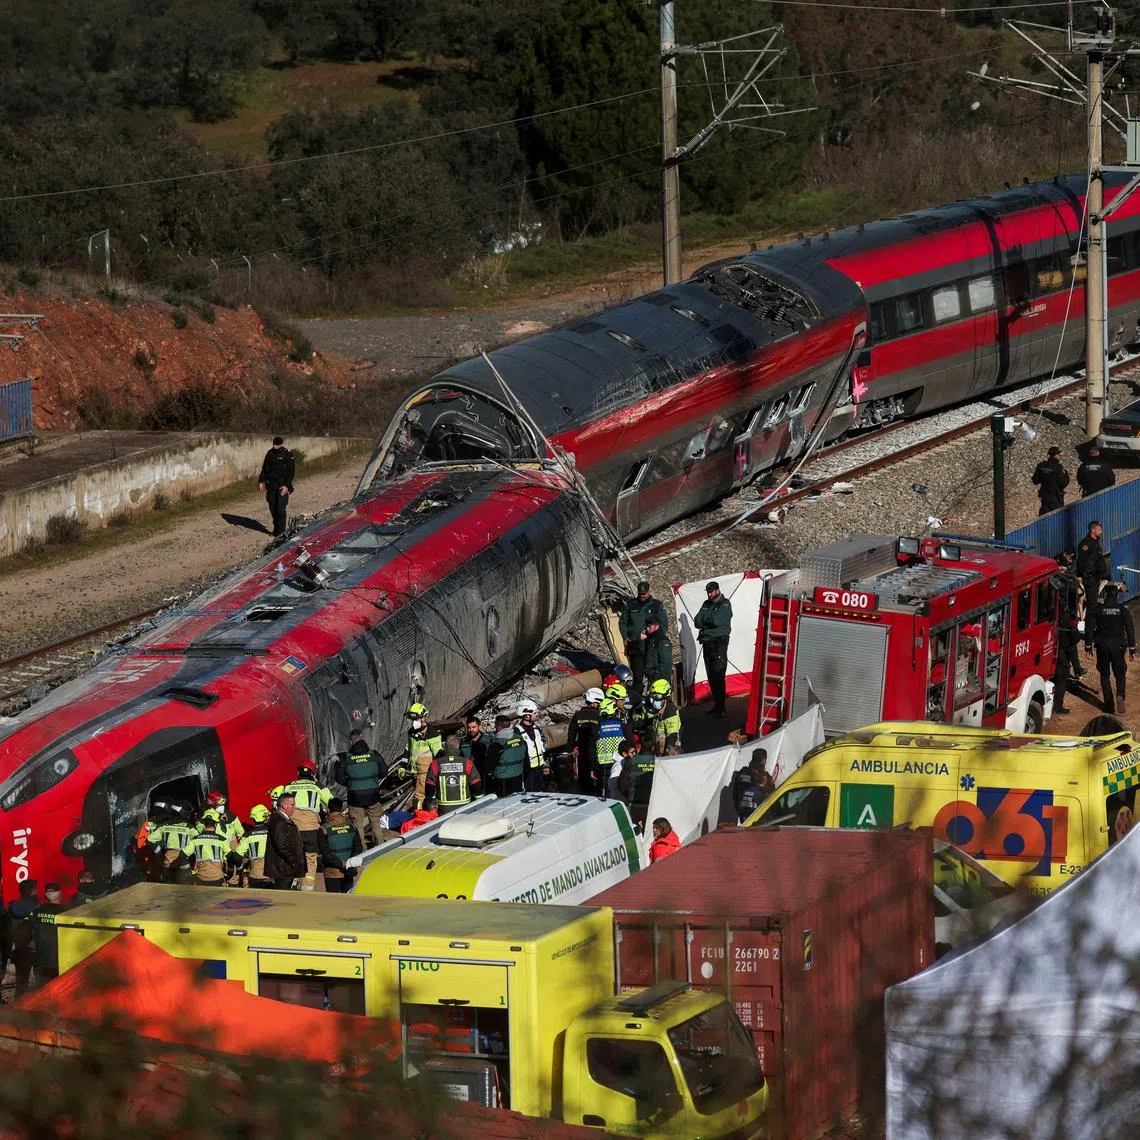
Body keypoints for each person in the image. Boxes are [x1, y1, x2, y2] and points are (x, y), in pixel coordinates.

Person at [271, 761, 332, 890]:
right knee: (310, 858)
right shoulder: (318, 787)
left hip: (291, 829)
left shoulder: (288, 787)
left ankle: (292, 883)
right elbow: (331, 803)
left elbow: (276, 803)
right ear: (313, 773)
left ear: (298, 773)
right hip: (311, 830)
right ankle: (307, 888)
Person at [1085, 581, 1136, 714]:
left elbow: (1089, 628)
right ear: (1117, 595)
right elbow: (1130, 630)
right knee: (1120, 672)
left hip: (1102, 646)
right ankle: (1120, 695)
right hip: (1118, 647)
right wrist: (1132, 649)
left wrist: (1088, 647)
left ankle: (1109, 704)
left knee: (1104, 674)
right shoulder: (1123, 611)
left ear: (1106, 595)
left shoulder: (1098, 610)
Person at [620, 581, 672, 701]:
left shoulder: (656, 605)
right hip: (636, 645)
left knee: (653, 674)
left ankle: (656, 700)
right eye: (640, 593)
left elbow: (663, 625)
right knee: (637, 678)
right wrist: (626, 637)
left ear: (649, 592)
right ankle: (637, 706)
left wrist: (655, 638)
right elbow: (623, 622)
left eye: (644, 593)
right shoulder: (631, 605)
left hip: (651, 646)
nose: (642, 596)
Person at [336, 733, 389, 851]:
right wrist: (373, 780)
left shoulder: (346, 758)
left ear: (351, 742)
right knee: (376, 824)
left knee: (358, 825)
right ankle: (379, 847)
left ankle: (362, 849)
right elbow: (384, 772)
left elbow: (339, 778)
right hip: (373, 795)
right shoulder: (374, 755)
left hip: (355, 797)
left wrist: (350, 783)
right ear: (363, 739)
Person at [695, 581, 733, 717]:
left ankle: (722, 708)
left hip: (719, 643)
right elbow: (696, 620)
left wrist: (705, 621)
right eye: (708, 592)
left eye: (711, 592)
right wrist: (707, 620)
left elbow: (717, 621)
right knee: (711, 674)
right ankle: (717, 704)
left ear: (717, 590)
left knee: (718, 674)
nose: (709, 594)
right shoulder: (706, 604)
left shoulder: (725, 604)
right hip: (707, 642)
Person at [1052, 552, 1084, 715]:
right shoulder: (1059, 583)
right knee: (1062, 672)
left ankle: (1077, 668)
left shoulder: (1059, 581)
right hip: (1060, 636)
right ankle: (1057, 705)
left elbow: (1079, 593)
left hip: (1062, 636)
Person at [425, 735, 484, 814]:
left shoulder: (436, 763)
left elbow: (430, 785)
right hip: (464, 807)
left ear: (444, 746)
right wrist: (480, 802)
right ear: (458, 745)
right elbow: (476, 784)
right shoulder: (467, 762)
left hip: (443, 807)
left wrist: (430, 803)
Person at [398, 703, 442, 808]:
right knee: (418, 797)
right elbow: (408, 750)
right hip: (415, 772)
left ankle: (419, 818)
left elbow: (438, 755)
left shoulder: (432, 734)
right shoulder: (412, 732)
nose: (415, 722)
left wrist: (435, 774)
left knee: (419, 798)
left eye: (417, 719)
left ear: (424, 718)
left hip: (426, 773)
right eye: (413, 719)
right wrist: (403, 766)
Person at [319, 798, 363, 893]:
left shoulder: (324, 829)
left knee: (333, 902)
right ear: (341, 809)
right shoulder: (352, 827)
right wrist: (349, 863)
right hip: (349, 870)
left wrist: (341, 864)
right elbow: (358, 847)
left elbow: (325, 853)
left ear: (328, 810)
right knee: (347, 901)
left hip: (332, 872)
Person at [265, 793, 306, 889]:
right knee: (283, 894)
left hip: (285, 867)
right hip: (284, 869)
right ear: (283, 805)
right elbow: (281, 845)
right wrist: (294, 861)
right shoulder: (280, 822)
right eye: (292, 805)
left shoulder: (284, 820)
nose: (294, 807)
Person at [148, 805, 197, 884]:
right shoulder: (189, 827)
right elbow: (198, 841)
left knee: (167, 890)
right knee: (185, 890)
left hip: (167, 863)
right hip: (183, 864)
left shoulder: (164, 826)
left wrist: (159, 852)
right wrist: (186, 853)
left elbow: (150, 840)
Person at [258, 435, 295, 538]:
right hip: (271, 486)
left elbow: (291, 472)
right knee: (273, 508)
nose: (275, 446)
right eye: (274, 444)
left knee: (280, 509)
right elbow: (264, 468)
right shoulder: (269, 454)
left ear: (281, 444)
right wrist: (261, 481)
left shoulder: (287, 455)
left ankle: (281, 532)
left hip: (282, 485)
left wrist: (286, 486)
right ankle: (276, 529)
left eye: (277, 445)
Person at [569, 687, 604, 796]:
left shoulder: (578, 715)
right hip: (596, 750)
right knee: (596, 775)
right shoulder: (598, 716)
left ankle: (584, 793)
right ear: (594, 703)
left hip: (582, 750)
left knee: (583, 777)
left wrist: (573, 747)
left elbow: (571, 734)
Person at [31, 884, 66, 986]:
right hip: (58, 960)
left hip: (40, 958)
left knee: (41, 989)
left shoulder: (37, 911)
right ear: (60, 893)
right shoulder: (65, 912)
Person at [8, 881, 37, 999]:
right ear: (32, 891)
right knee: (39, 982)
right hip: (33, 948)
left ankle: (18, 1006)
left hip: (19, 949)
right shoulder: (36, 907)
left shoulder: (13, 905)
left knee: (21, 983)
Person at [188, 809, 232, 886]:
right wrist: (228, 875)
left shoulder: (195, 839)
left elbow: (183, 855)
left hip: (200, 879)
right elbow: (231, 858)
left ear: (204, 823)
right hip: (218, 879)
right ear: (216, 824)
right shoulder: (222, 840)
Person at [640, 678, 682, 756]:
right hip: (658, 747)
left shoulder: (670, 712)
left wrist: (667, 752)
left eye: (657, 698)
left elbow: (672, 736)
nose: (653, 701)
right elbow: (646, 721)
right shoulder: (653, 709)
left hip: (669, 751)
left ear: (665, 698)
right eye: (652, 697)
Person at [732, 751, 776, 823]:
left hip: (744, 817)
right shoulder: (764, 776)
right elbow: (773, 797)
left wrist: (740, 811)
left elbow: (734, 795)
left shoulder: (742, 773)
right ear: (764, 760)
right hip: (759, 818)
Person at [237, 804, 273, 888]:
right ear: (264, 817)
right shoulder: (273, 832)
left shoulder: (247, 835)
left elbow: (238, 855)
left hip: (254, 876)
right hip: (270, 876)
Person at [1077, 520, 1109, 612]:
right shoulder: (1086, 544)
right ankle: (1090, 625)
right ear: (1092, 530)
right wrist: (1085, 576)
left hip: (1096, 578)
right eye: (1099, 529)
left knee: (1094, 603)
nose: (1101, 532)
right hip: (1090, 579)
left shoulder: (1096, 543)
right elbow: (1081, 562)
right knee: (1092, 605)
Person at [515, 700, 548, 793]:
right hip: (527, 771)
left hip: (539, 768)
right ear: (526, 716)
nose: (537, 714)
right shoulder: (517, 732)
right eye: (534, 713)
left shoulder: (536, 728)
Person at [490, 717, 527, 797]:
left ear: (498, 727)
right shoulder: (520, 739)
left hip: (502, 782)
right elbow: (527, 761)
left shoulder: (497, 744)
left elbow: (488, 766)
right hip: (518, 779)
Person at [1031, 446, 1069, 514]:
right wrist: (1066, 474)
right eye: (1059, 455)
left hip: (1045, 498)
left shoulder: (1041, 465)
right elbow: (1063, 483)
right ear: (1056, 455)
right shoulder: (1058, 467)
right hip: (1056, 499)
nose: (1060, 457)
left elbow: (1035, 481)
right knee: (1057, 518)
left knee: (1045, 519)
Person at [461, 717, 495, 784]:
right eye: (469, 727)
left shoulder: (488, 740)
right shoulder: (463, 742)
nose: (471, 730)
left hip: (484, 776)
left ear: (479, 726)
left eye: (474, 727)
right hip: (469, 776)